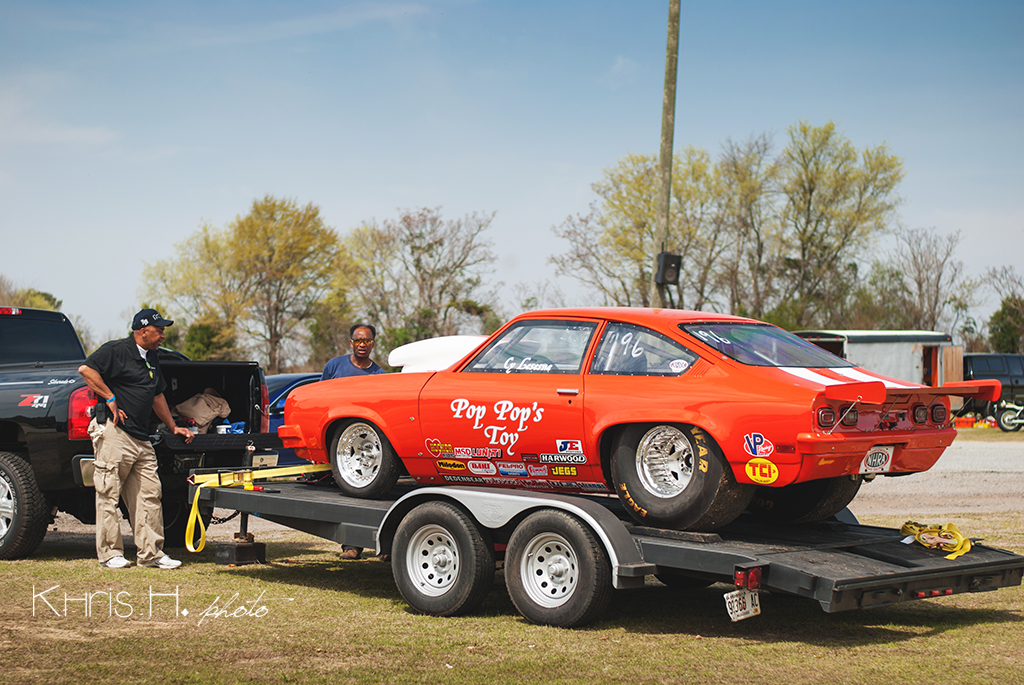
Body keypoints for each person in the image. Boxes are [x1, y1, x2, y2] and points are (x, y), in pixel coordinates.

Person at [78, 308, 195, 569]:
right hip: (115, 433)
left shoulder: (152, 357)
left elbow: (157, 396)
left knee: (150, 495)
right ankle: (110, 554)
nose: (163, 334)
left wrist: (173, 426)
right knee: (109, 494)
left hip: (142, 438)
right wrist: (110, 397)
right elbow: (86, 370)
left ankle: (151, 554)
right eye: (159, 330)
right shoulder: (116, 350)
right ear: (143, 331)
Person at [321, 323, 384, 559]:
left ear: (373, 344)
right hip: (339, 442)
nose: (362, 345)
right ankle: (350, 546)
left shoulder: (379, 375)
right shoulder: (334, 366)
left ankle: (380, 546)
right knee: (345, 495)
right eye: (358, 340)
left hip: (365, 445)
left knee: (368, 495)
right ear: (351, 342)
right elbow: (322, 396)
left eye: (367, 341)